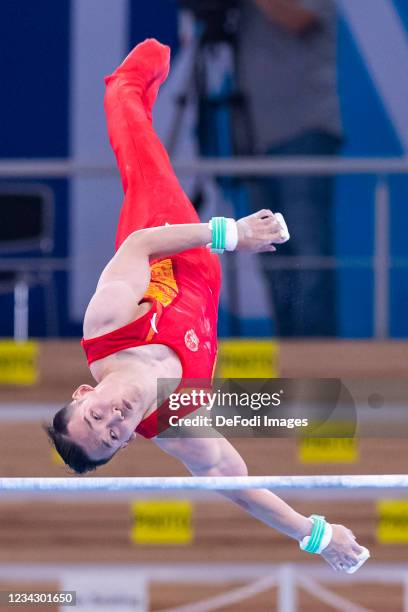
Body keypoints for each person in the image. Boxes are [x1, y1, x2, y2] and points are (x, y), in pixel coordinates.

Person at [46, 39, 365, 572]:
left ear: (84, 392)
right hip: (208, 279)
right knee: (140, 147)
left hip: (165, 236)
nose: (111, 422)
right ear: (125, 445)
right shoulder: (174, 426)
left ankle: (125, 82)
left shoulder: (106, 327)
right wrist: (316, 535)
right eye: (111, 437)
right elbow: (233, 482)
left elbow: (138, 248)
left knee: (138, 145)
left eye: (95, 415)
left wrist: (229, 233)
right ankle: (131, 92)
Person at [237, 0, 342, 336]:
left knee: (307, 250)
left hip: (303, 130)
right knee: (271, 253)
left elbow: (299, 18)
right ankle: (291, 354)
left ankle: (317, 359)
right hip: (254, 136)